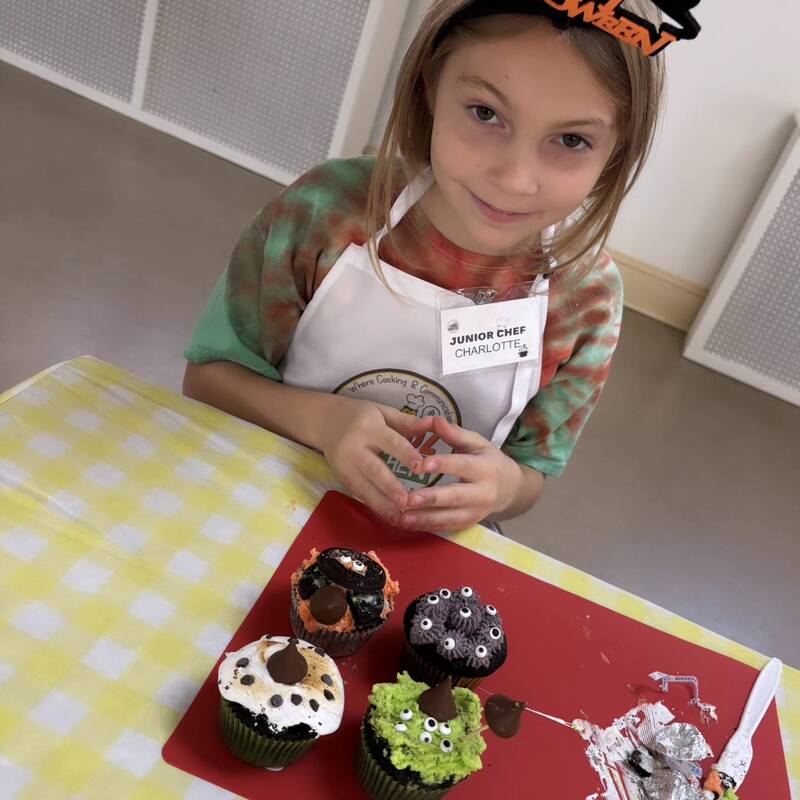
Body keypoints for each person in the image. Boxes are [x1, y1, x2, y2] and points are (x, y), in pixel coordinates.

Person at [183, 0, 667, 533]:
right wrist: (324, 422)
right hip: (261, 499)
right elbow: (208, 379)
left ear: (616, 150)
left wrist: (502, 486)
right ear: (432, 83)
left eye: (572, 140)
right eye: (485, 113)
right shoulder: (325, 210)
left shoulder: (587, 299)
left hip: (419, 545)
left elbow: (528, 475)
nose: (514, 179)